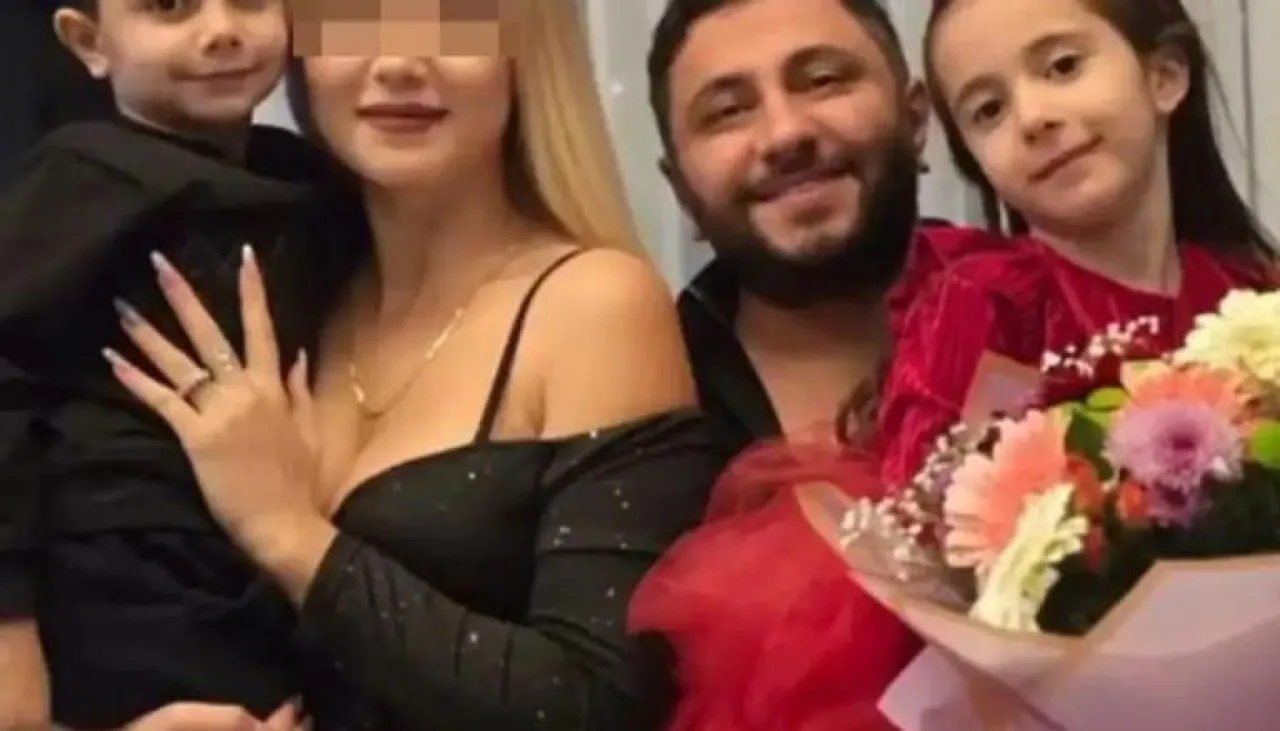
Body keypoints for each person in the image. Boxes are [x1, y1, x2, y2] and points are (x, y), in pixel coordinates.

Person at [101, 1, 722, 729]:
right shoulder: (282, 294)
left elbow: (599, 705)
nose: (398, 62)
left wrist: (288, 533)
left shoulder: (594, 304)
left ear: (527, 52)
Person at [628, 0, 1001, 728]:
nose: (786, 134)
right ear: (681, 191)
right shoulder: (641, 409)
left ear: (916, 118)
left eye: (824, 80)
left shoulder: (1052, 319)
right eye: (727, 113)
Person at [0, 0, 352, 727]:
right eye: (169, 6)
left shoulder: (311, 183)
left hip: (254, 569)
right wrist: (9, 630)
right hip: (117, 572)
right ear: (89, 43)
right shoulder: (81, 180)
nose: (221, 30)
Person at [878, 0, 1278, 484]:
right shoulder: (989, 308)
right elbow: (928, 506)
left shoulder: (1252, 296)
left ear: (1164, 77)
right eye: (989, 110)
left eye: (1063, 66)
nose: (1032, 118)